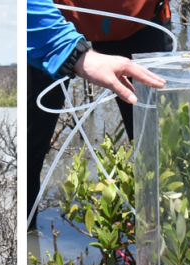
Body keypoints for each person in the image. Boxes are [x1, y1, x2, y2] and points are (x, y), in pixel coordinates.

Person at [27, 0, 170, 229]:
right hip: (47, 16)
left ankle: (161, 253)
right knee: (28, 155)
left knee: (159, 158)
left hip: (139, 16)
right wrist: (66, 49)